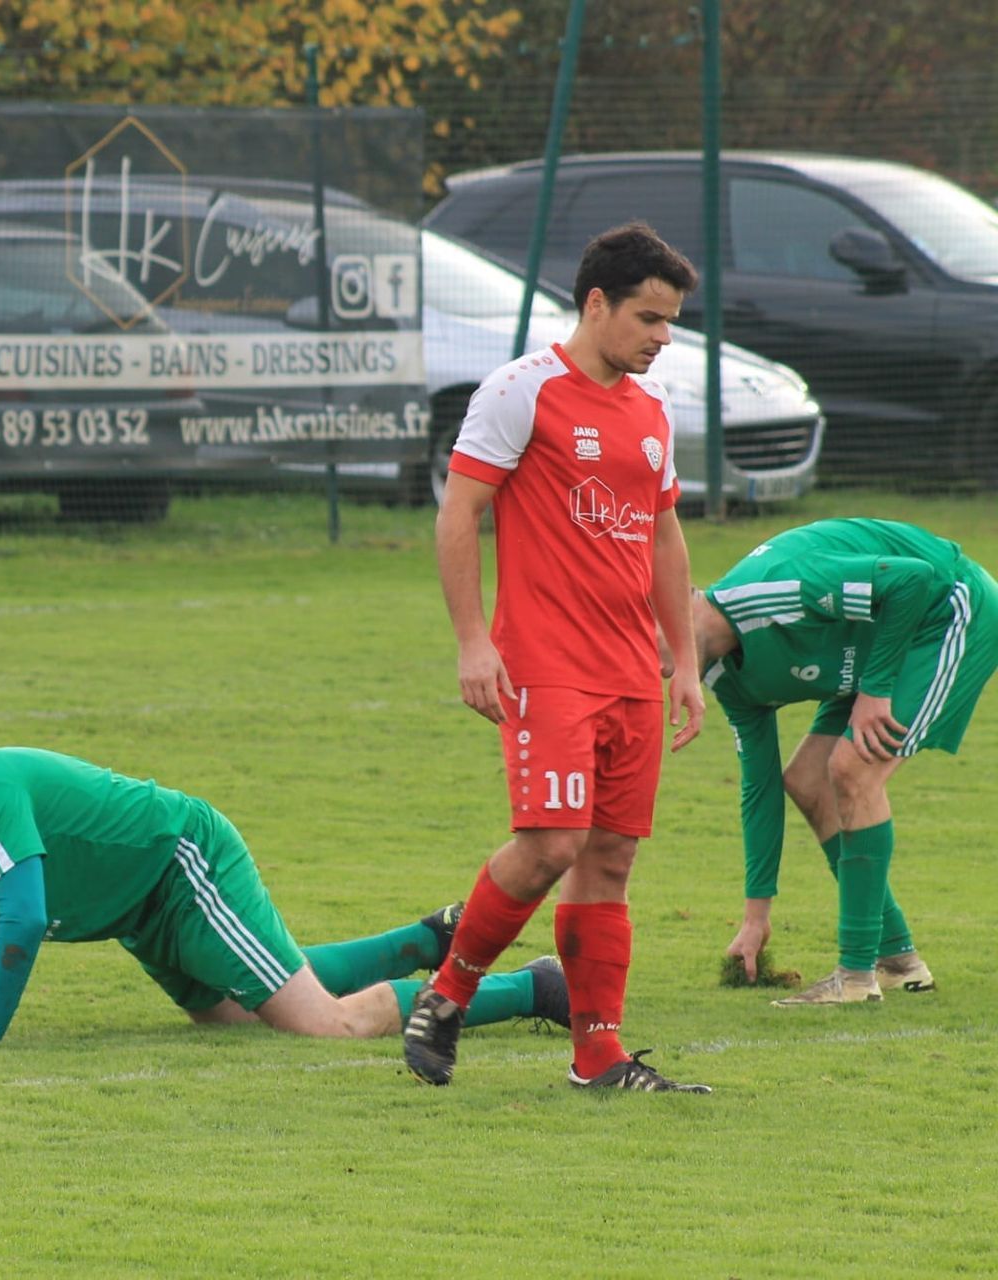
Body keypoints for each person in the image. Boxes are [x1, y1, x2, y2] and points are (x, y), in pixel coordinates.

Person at [407, 221, 711, 1093]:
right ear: (596, 303)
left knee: (609, 859)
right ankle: (448, 992)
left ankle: (599, 1055)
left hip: (628, 672)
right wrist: (473, 643)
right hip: (546, 665)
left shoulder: (651, 413)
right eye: (649, 319)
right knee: (551, 842)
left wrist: (684, 661)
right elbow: (459, 515)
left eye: (671, 323)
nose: (662, 338)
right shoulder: (521, 391)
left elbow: (661, 536)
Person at [0, 747, 569, 1046]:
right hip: (136, 909)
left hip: (178, 865)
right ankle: (432, 937)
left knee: (326, 1025)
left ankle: (530, 987)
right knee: (235, 1014)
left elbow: (19, 920)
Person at [693, 518, 998, 1005]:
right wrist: (755, 918)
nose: (651, 663)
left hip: (948, 609)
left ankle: (855, 976)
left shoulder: (775, 589)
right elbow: (760, 787)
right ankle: (899, 960)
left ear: (677, 609)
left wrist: (875, 689)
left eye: (645, 640)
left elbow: (912, 579)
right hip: (877, 644)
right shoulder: (721, 675)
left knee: (852, 770)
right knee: (808, 780)